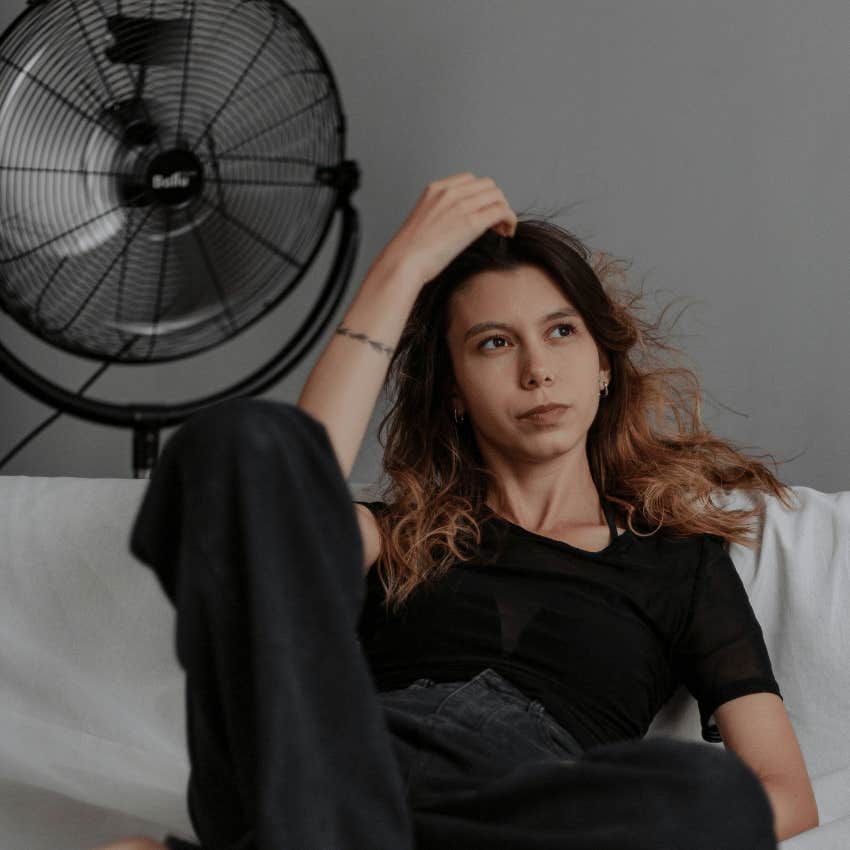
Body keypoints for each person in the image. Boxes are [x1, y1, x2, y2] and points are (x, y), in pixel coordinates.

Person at [98, 173, 818, 850]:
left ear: (604, 365)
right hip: (331, 770)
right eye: (494, 343)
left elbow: (785, 794)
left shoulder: (681, 563)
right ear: (453, 391)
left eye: (562, 332)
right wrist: (403, 267)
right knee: (243, 441)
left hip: (518, 808)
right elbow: (279, 502)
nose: (536, 369)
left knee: (712, 792)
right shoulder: (391, 532)